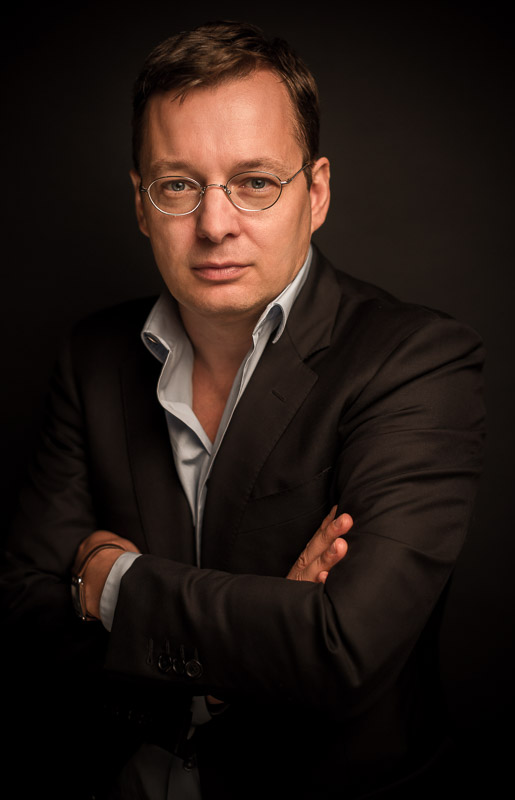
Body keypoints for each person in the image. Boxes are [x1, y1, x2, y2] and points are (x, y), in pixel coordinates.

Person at [0, 20, 485, 800]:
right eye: (177, 185)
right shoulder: (92, 356)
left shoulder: (415, 360)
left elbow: (342, 650)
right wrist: (247, 656)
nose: (215, 224)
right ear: (140, 202)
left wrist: (110, 581)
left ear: (315, 193)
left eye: (255, 181)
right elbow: (26, 612)